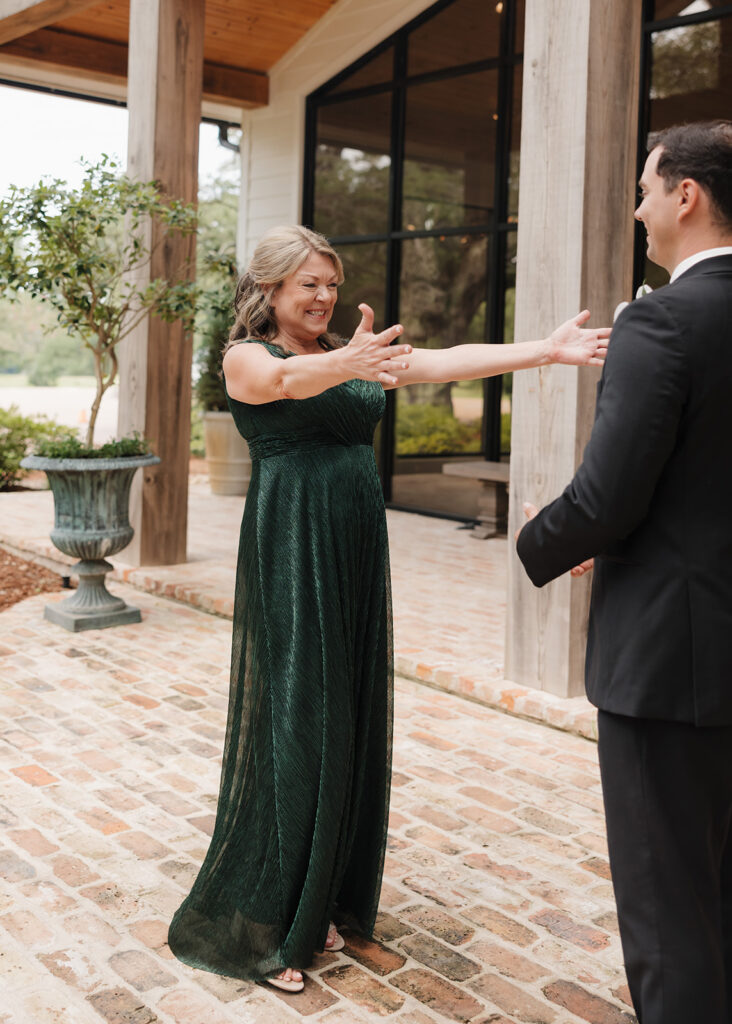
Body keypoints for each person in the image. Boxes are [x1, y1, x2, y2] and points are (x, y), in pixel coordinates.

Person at [168, 224, 609, 992]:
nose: (325, 296)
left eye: (332, 284)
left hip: (353, 550)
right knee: (303, 716)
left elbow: (443, 361)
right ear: (270, 288)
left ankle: (323, 898)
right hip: (295, 549)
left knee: (351, 715)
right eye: (310, 283)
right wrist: (347, 360)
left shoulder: (350, 352)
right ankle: (271, 919)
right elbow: (281, 388)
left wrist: (545, 350)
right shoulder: (250, 356)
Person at [515, 120, 732, 1024]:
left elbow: (608, 497)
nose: (639, 210)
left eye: (646, 190)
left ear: (687, 195)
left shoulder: (664, 320)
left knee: (670, 910)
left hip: (666, 668)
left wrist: (538, 540)